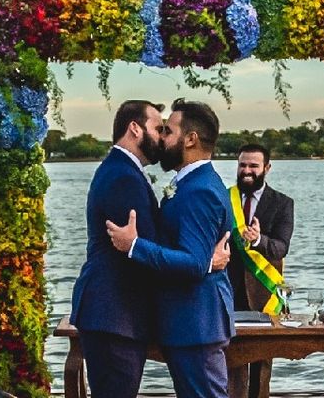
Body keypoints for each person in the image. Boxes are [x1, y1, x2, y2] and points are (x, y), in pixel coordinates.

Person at [69, 100, 230, 398]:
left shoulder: (198, 187)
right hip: (115, 314)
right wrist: (206, 263)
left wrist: (198, 262)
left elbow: (157, 248)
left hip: (186, 321)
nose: (161, 137)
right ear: (134, 128)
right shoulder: (123, 177)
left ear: (191, 139)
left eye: (167, 130)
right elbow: (144, 250)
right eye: (159, 128)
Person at [226, 143, 294, 398]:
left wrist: (257, 240)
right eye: (243, 165)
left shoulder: (282, 203)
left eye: (253, 166)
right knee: (230, 366)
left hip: (265, 295)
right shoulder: (224, 198)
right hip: (228, 292)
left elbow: (280, 248)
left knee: (262, 366)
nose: (247, 171)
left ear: (267, 168)